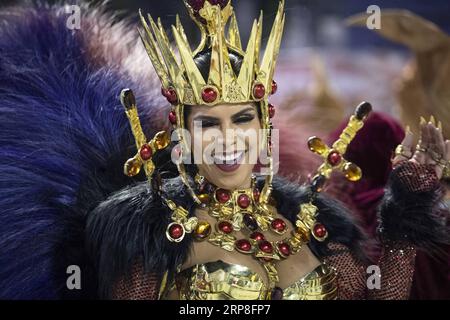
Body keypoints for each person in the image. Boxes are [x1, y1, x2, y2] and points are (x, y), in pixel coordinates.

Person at [0, 0, 448, 300]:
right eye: (208, 124)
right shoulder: (145, 232)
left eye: (241, 120)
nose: (227, 139)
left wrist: (405, 215)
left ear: (262, 130)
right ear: (183, 138)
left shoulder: (315, 218)